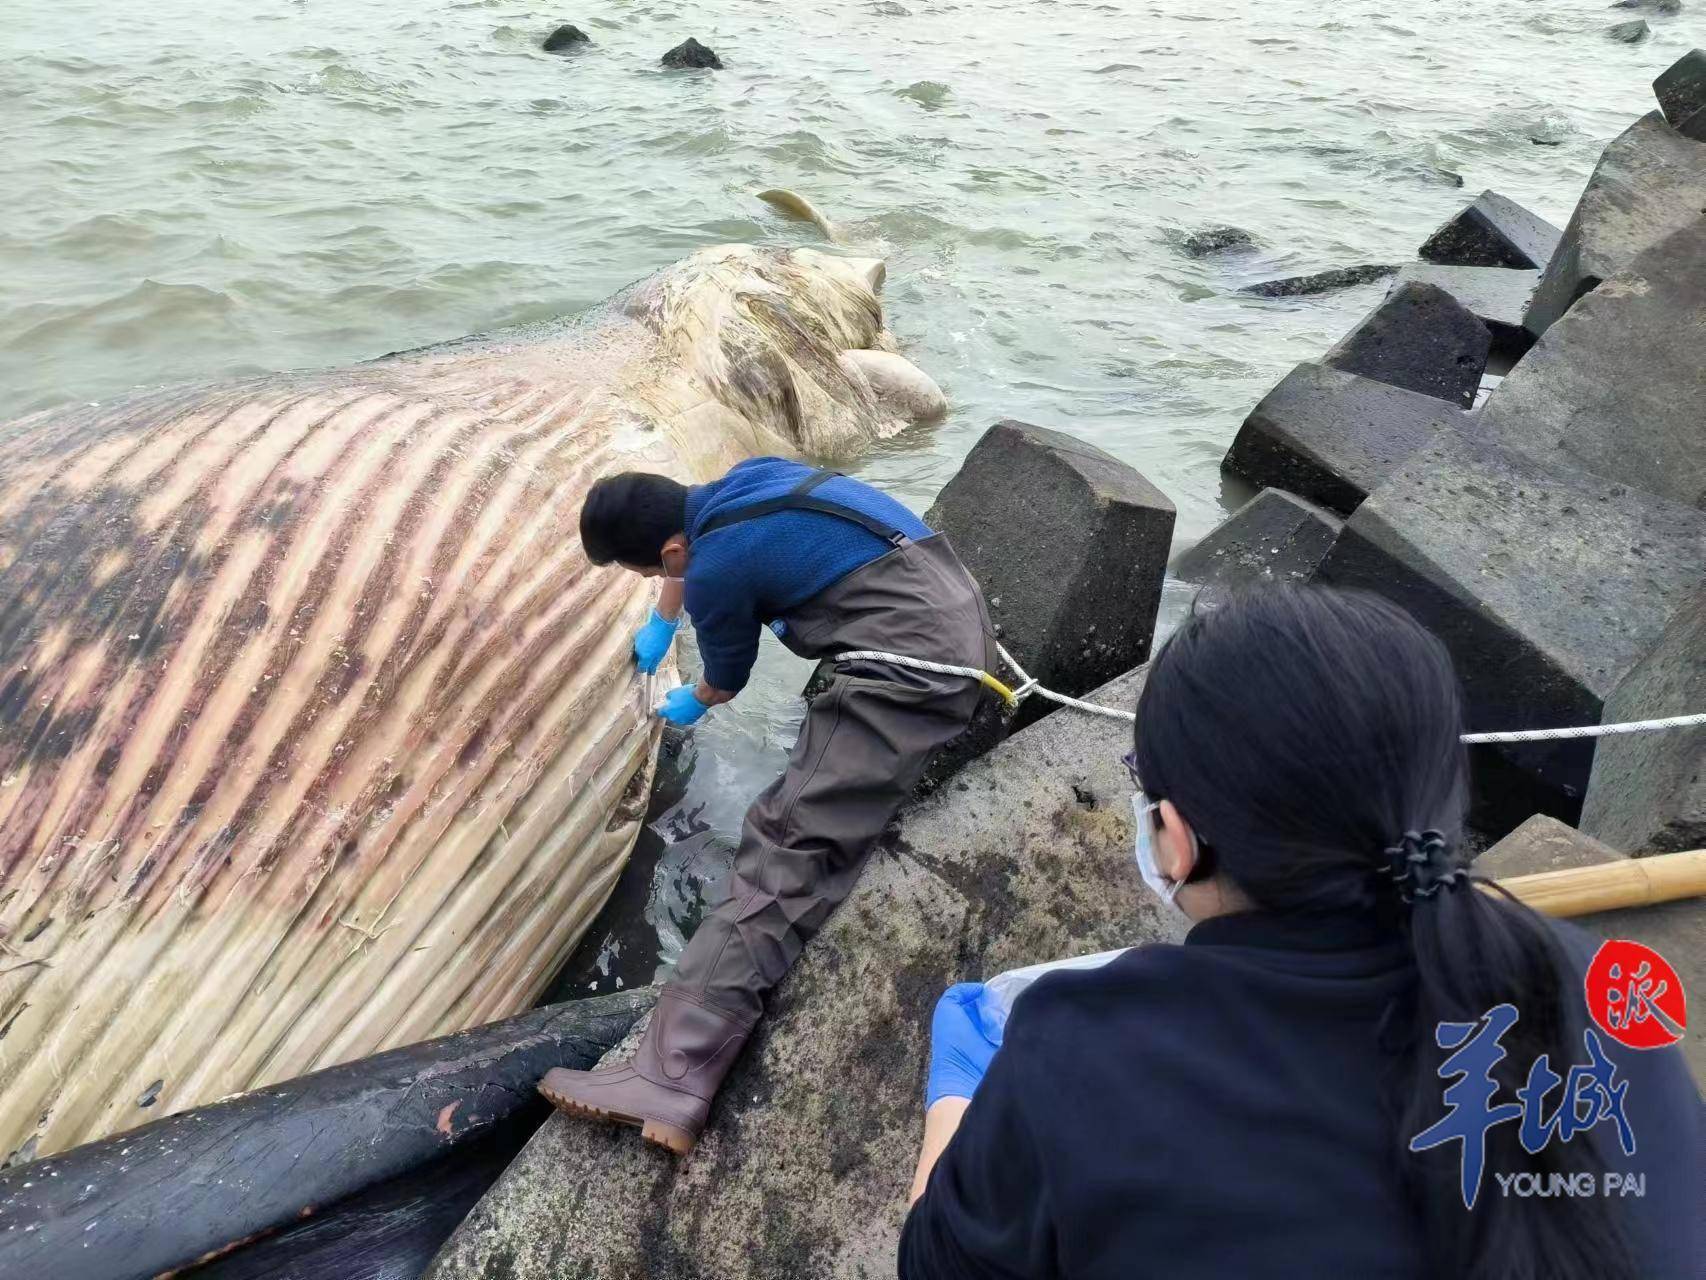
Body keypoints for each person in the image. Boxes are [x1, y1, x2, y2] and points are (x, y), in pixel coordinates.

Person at [901, 587, 1701, 1279]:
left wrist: (958, 1091)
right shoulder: (1596, 989)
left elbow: (936, 1264)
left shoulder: (1079, 1050)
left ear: (1176, 837)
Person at [541, 457, 994, 1154]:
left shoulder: (716, 570)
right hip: (942, 605)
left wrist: (685, 701)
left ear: (668, 551)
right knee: (805, 805)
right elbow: (684, 563)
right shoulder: (740, 483)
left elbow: (725, 680)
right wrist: (664, 620)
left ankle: (670, 1074)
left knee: (788, 841)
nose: (657, 585)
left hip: (910, 665)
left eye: (646, 574)